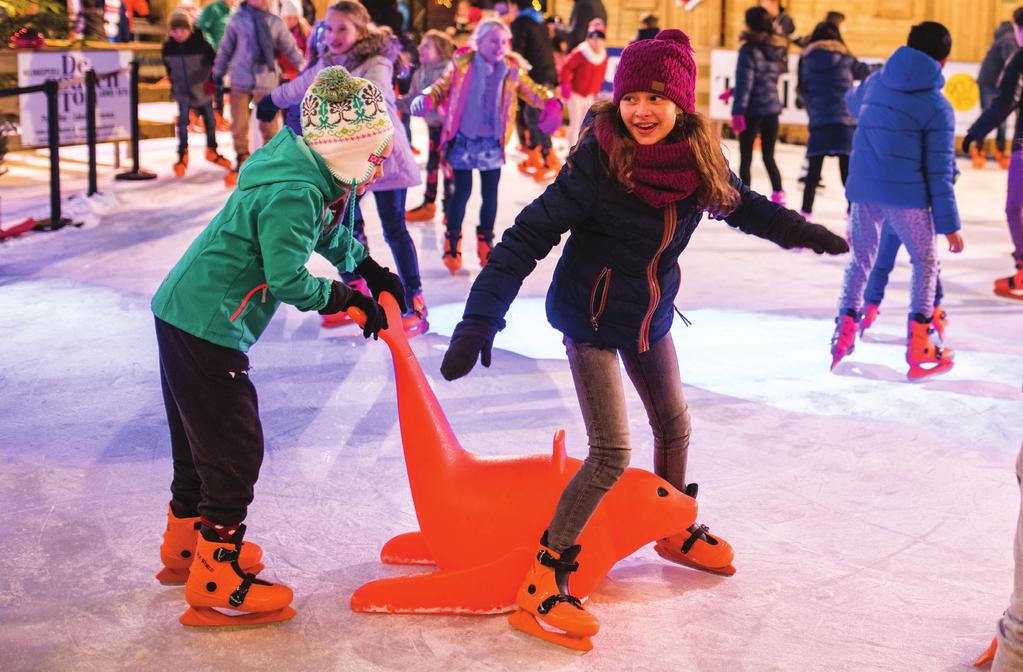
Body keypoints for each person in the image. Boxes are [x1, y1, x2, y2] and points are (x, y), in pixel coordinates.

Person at [438, 29, 848, 648]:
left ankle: (673, 525)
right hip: (591, 318)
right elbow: (526, 237)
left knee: (675, 424)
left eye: (657, 97)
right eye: (632, 97)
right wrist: (479, 319)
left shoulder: (699, 160)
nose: (641, 111)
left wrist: (801, 232)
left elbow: (746, 206)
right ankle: (546, 577)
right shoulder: (598, 163)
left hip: (650, 314)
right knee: (610, 453)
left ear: (680, 103)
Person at [152, 66, 405, 626]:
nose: (379, 164)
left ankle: (185, 547)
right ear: (347, 149)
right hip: (206, 325)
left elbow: (324, 231)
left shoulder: (305, 172)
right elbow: (288, 277)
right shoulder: (296, 189)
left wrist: (367, 267)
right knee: (234, 447)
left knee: (199, 444)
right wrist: (349, 299)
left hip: (185, 312)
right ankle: (215, 569)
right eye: (374, 154)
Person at [258, 0, 427, 333]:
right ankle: (356, 290)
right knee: (343, 225)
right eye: (329, 28)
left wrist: (334, 94)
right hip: (351, 163)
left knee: (395, 229)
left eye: (342, 28)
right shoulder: (327, 61)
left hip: (384, 159)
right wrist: (271, 101)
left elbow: (375, 95)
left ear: (360, 31)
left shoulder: (376, 61)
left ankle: (413, 301)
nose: (333, 35)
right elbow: (300, 85)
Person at [830, 21, 963, 379]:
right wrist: (950, 226)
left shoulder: (875, 81)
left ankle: (844, 332)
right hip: (907, 198)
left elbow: (851, 102)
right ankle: (920, 344)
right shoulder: (938, 106)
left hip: (863, 190)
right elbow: (940, 173)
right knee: (925, 260)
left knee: (861, 260)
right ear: (944, 60)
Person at [409, 18, 557, 274]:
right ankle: (452, 239)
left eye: (503, 42)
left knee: (491, 195)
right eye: (493, 41)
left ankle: (485, 241)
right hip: (464, 140)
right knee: (461, 193)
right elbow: (441, 87)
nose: (499, 46)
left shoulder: (511, 68)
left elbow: (532, 90)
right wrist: (427, 97)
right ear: (478, 42)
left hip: (492, 143)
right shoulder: (462, 63)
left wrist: (551, 101)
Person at [963, 7, 1023, 300]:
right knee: (1016, 209)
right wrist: (976, 131)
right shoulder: (1019, 59)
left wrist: (976, 132)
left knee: (1015, 209)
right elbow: (1005, 102)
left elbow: (1002, 104)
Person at [213, 0, 305, 184]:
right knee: (239, 121)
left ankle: (271, 159)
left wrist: (304, 68)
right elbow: (226, 48)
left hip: (266, 79)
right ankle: (242, 156)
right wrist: (217, 71)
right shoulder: (237, 19)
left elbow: (290, 47)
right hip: (240, 77)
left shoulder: (274, 21)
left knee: (269, 123)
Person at [796, 20, 873, 219]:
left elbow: (802, 89)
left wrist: (814, 111)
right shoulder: (845, 57)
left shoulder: (806, 59)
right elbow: (866, 72)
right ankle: (853, 219)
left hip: (820, 122)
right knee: (848, 176)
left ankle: (804, 218)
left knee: (812, 175)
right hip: (844, 122)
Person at [162, 11, 232, 178]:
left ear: (189, 29)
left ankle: (212, 149)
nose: (179, 34)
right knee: (183, 123)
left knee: (210, 121)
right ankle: (182, 154)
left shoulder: (200, 44)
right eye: (175, 31)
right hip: (183, 92)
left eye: (182, 30)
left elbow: (215, 64)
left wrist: (212, 82)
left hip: (202, 90)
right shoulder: (168, 47)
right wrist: (174, 84)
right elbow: (169, 69)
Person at [731, 6, 788, 204]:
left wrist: (738, 111)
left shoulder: (748, 50)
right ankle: (779, 196)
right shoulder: (776, 49)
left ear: (749, 25)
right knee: (768, 156)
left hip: (752, 110)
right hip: (771, 109)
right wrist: (732, 91)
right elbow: (764, 80)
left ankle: (743, 201)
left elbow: (746, 82)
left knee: (745, 158)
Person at [400, 29, 457, 223]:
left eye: (426, 46)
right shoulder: (421, 72)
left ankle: (450, 209)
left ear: (440, 51)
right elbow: (412, 100)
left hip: (450, 130)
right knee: (432, 166)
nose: (420, 49)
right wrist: (393, 101)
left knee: (448, 168)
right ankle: (429, 204)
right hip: (433, 127)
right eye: (421, 45)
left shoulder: (448, 71)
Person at [511, 0, 561, 182]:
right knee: (532, 115)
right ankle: (535, 156)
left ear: (515, 6)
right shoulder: (537, 20)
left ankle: (549, 159)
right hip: (547, 72)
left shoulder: (520, 22)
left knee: (535, 116)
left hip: (537, 77)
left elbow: (518, 53)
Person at [972, 19, 1019, 168]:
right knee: (992, 116)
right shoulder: (1009, 39)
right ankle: (980, 149)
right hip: (990, 83)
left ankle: (998, 151)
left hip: (994, 83)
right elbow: (1012, 62)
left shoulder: (1008, 37)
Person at [559, 18, 607, 146]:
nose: (596, 41)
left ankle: (581, 150)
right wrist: (565, 85)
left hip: (589, 95)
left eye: (599, 38)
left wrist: (596, 91)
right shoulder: (581, 52)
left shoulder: (603, 55)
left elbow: (601, 75)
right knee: (575, 123)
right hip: (576, 93)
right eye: (593, 38)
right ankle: (571, 151)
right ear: (588, 38)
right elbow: (566, 67)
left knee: (586, 124)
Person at [278, 0, 311, 83]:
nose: (292, 21)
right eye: (289, 18)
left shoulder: (304, 31)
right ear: (283, 17)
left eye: (295, 18)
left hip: (299, 72)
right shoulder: (278, 31)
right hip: (282, 73)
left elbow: (309, 50)